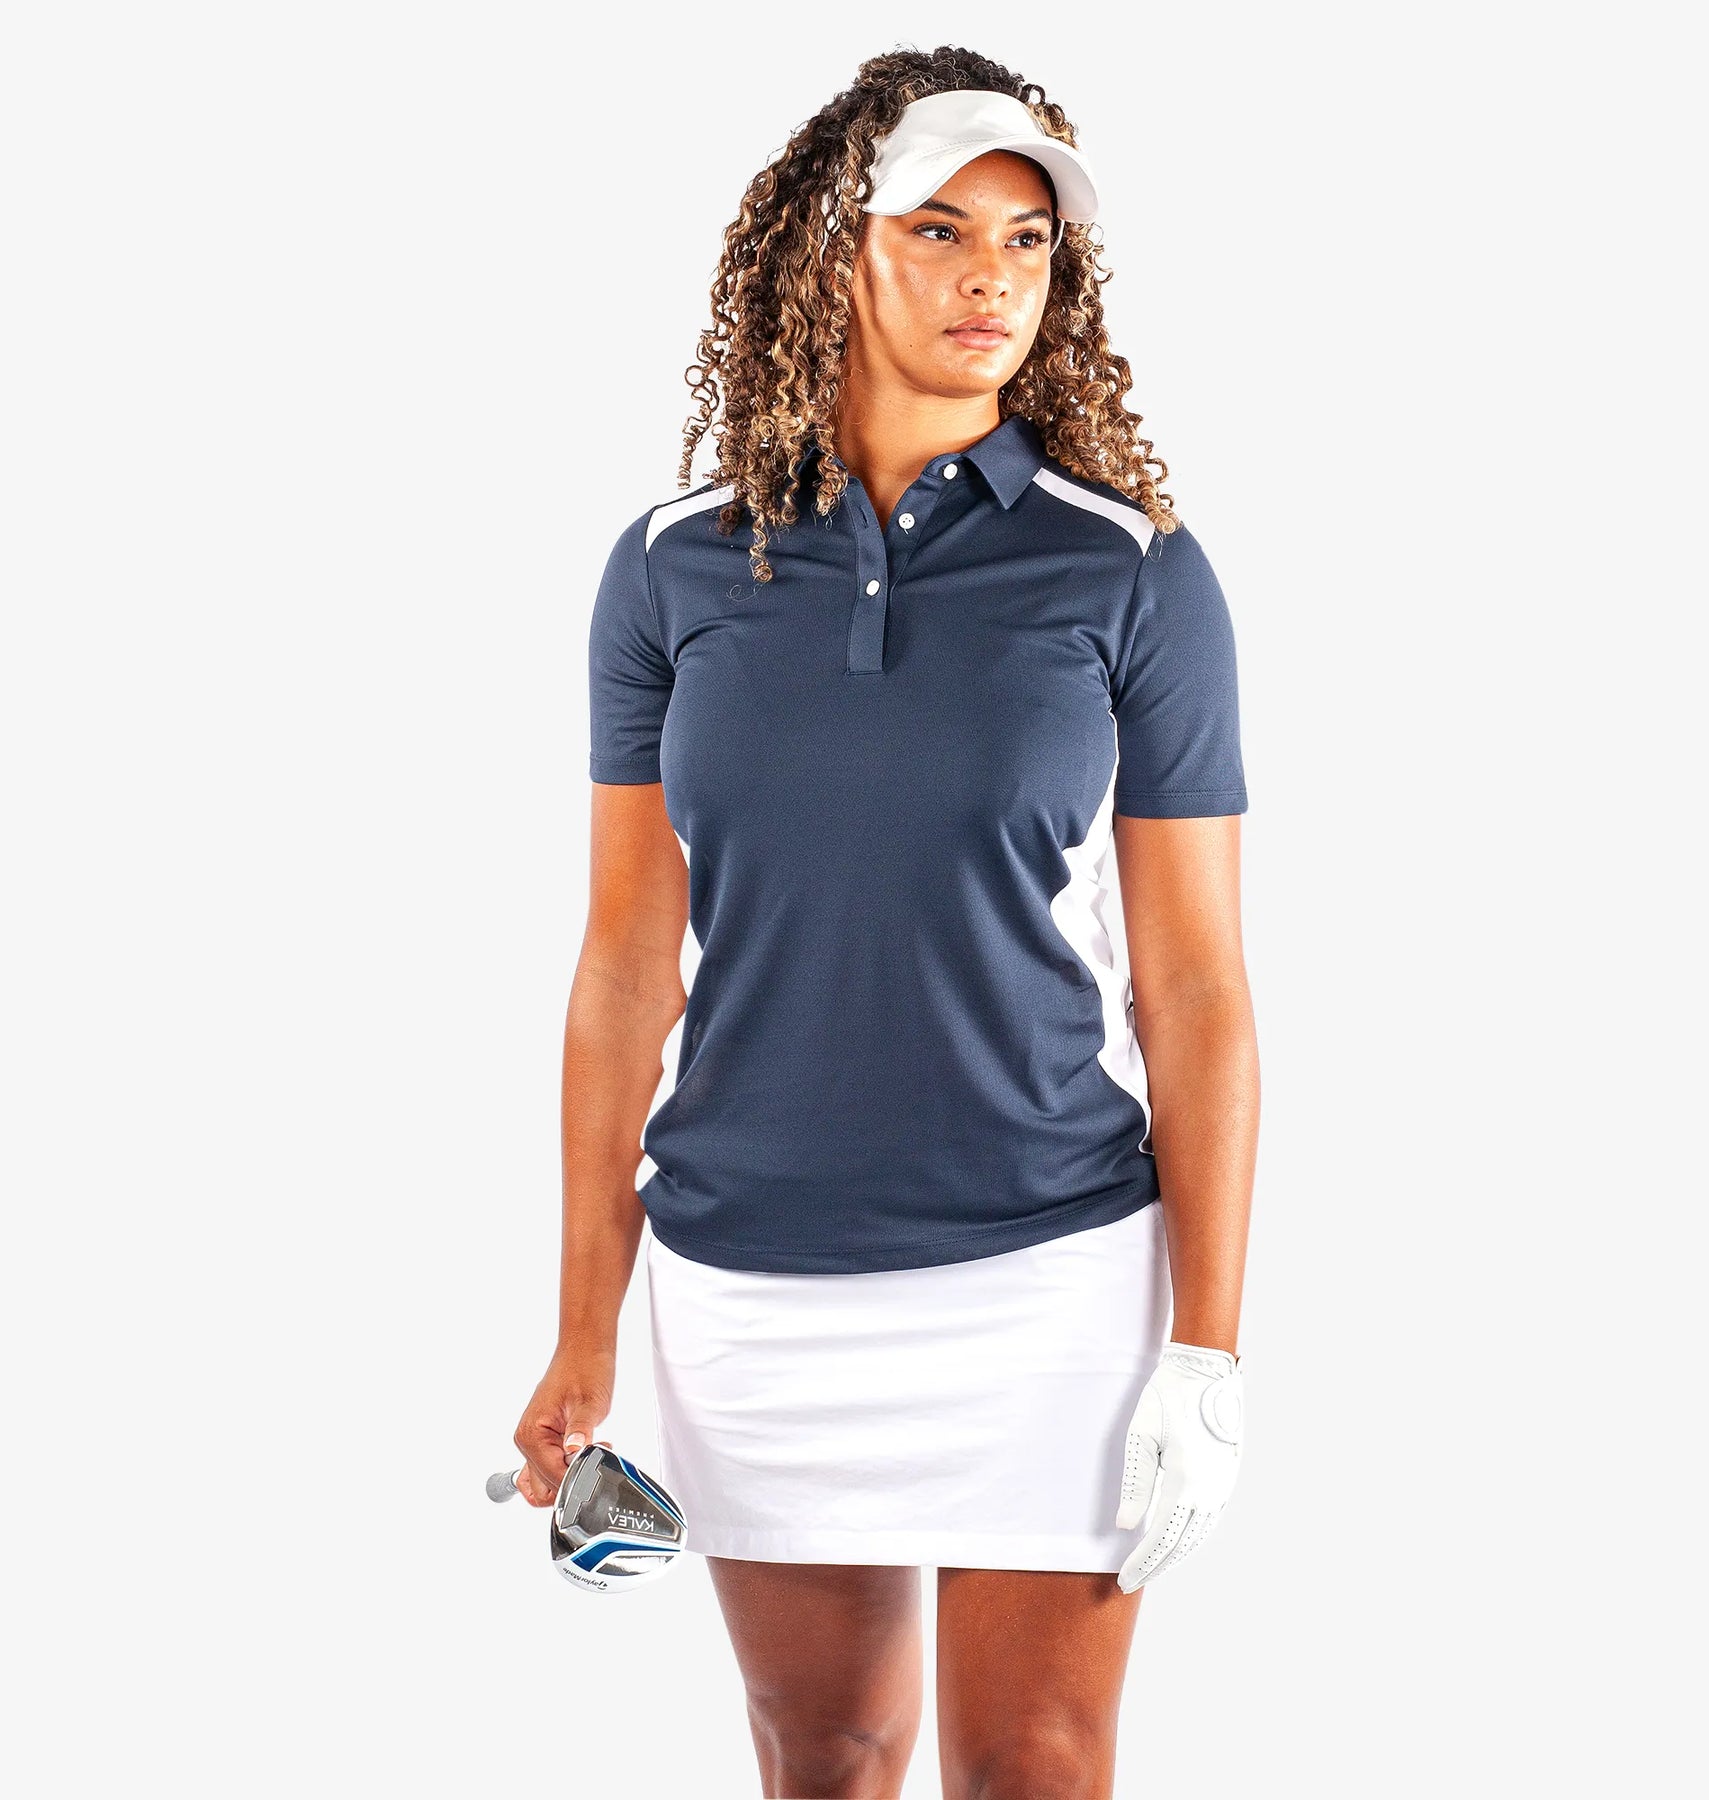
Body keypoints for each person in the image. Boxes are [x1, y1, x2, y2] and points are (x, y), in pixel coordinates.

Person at [510, 45, 1259, 1800]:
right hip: (750, 1277)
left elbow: (1197, 986)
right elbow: (624, 966)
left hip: (1052, 1270)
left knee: (1039, 1762)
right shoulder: (673, 566)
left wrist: (1208, 1352)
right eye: (940, 229)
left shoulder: (1133, 569)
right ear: (834, 249)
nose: (993, 276)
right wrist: (582, 1327)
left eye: (1028, 240)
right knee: (824, 1752)